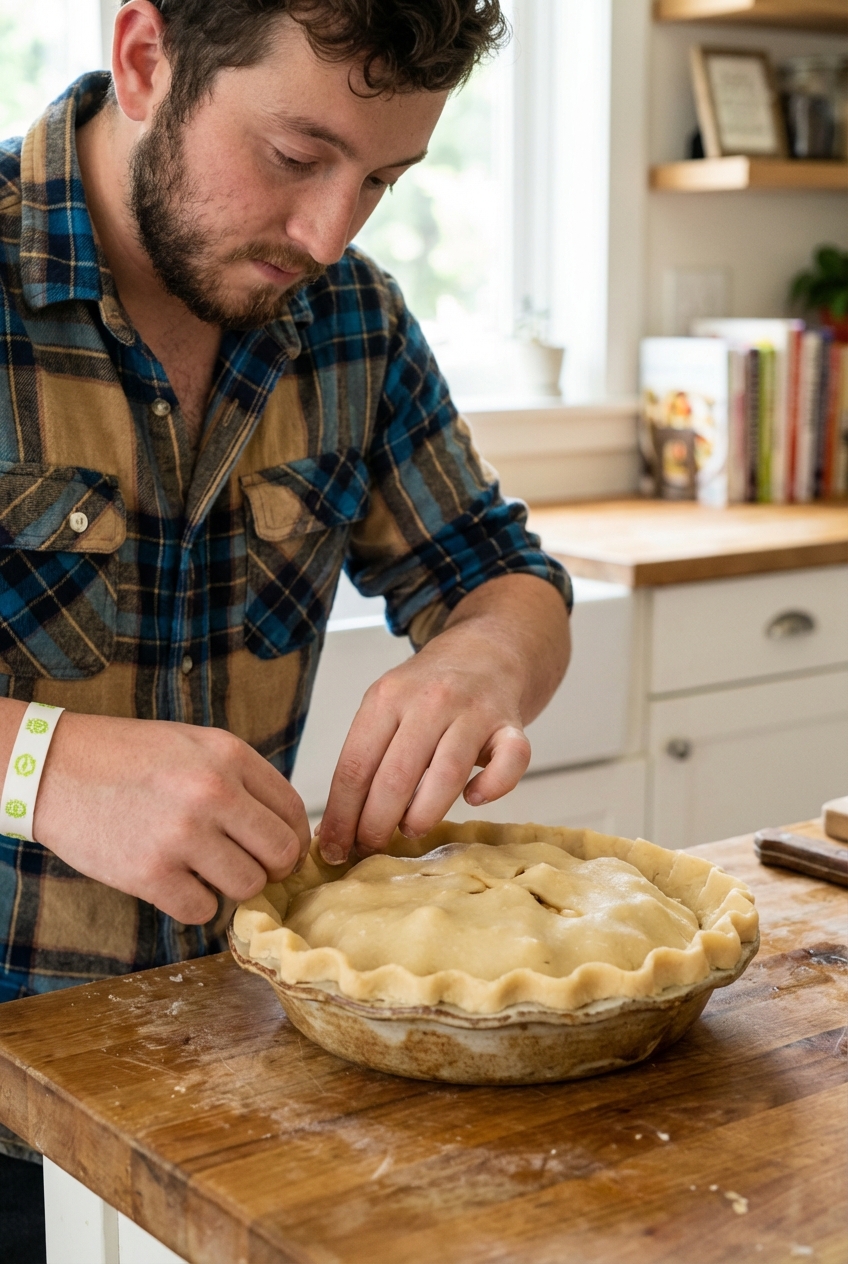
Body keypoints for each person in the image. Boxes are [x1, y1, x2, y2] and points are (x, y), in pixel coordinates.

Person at [0, 0, 571, 1254]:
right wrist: (36, 769)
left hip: (233, 1076)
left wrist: (480, 664)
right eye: (296, 156)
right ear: (145, 59)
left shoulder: (351, 322)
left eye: (381, 178)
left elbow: (502, 571)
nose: (328, 230)